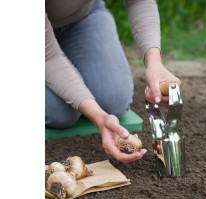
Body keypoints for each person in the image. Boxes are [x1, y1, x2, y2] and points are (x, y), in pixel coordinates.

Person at [45, 0, 180, 163]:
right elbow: (49, 58)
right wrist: (99, 117)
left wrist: (154, 62)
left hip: (80, 19)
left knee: (114, 99)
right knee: (61, 113)